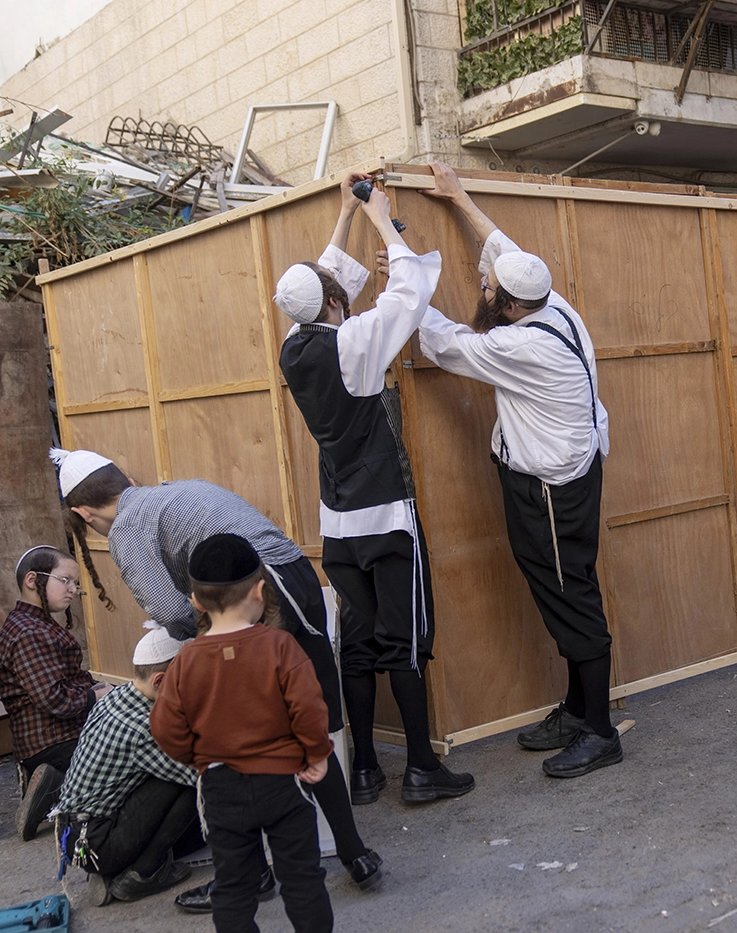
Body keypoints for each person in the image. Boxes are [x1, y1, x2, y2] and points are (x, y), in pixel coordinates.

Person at [51, 447, 381, 890]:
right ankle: (354, 854)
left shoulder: (126, 528)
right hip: (297, 577)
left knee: (238, 742)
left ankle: (255, 874)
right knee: (309, 734)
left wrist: (205, 646)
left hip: (260, 599)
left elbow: (168, 607)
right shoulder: (175, 491)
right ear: (125, 479)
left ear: (83, 513)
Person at [398, 161, 621, 778]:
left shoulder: (519, 344)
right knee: (560, 585)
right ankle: (578, 709)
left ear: (510, 302)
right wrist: (460, 198)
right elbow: (507, 252)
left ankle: (600, 730)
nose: (481, 287)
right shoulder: (555, 307)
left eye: (487, 287)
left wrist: (404, 280)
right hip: (561, 472)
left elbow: (442, 343)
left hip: (552, 488)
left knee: (569, 595)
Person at [273, 171, 473, 805]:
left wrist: (343, 214)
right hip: (387, 516)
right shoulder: (356, 346)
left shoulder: (292, 349)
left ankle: (363, 773)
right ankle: (420, 768)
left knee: (357, 644)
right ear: (336, 307)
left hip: (337, 525)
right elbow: (408, 291)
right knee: (405, 639)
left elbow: (326, 287)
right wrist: (381, 216)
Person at [151, 534, 334, 933]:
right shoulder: (280, 646)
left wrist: (199, 757)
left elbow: (165, 727)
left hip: (220, 787)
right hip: (282, 782)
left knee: (233, 887)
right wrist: (315, 754)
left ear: (195, 602)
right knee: (302, 880)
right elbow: (308, 707)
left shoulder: (185, 662)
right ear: (260, 589)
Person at [55, 626, 219, 907]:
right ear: (159, 681)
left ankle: (117, 870)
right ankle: (143, 874)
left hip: (77, 833)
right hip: (98, 843)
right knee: (198, 784)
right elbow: (203, 774)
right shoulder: (145, 729)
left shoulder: (117, 698)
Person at [0, 545, 108, 841]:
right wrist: (96, 697)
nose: (73, 590)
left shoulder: (36, 625)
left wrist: (99, 689)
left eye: (75, 584)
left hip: (51, 739)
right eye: (65, 580)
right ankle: (58, 789)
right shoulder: (29, 633)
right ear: (32, 581)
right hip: (55, 739)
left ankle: (52, 785)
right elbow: (55, 700)